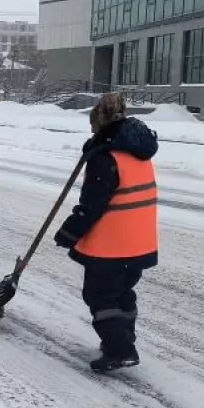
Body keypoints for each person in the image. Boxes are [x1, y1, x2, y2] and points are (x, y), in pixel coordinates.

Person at [54, 92, 159, 372]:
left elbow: (92, 206)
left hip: (113, 245)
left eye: (93, 126)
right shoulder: (137, 150)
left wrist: (68, 233)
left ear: (100, 124)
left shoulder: (105, 158)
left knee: (99, 296)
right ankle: (123, 336)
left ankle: (119, 349)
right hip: (140, 243)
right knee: (123, 293)